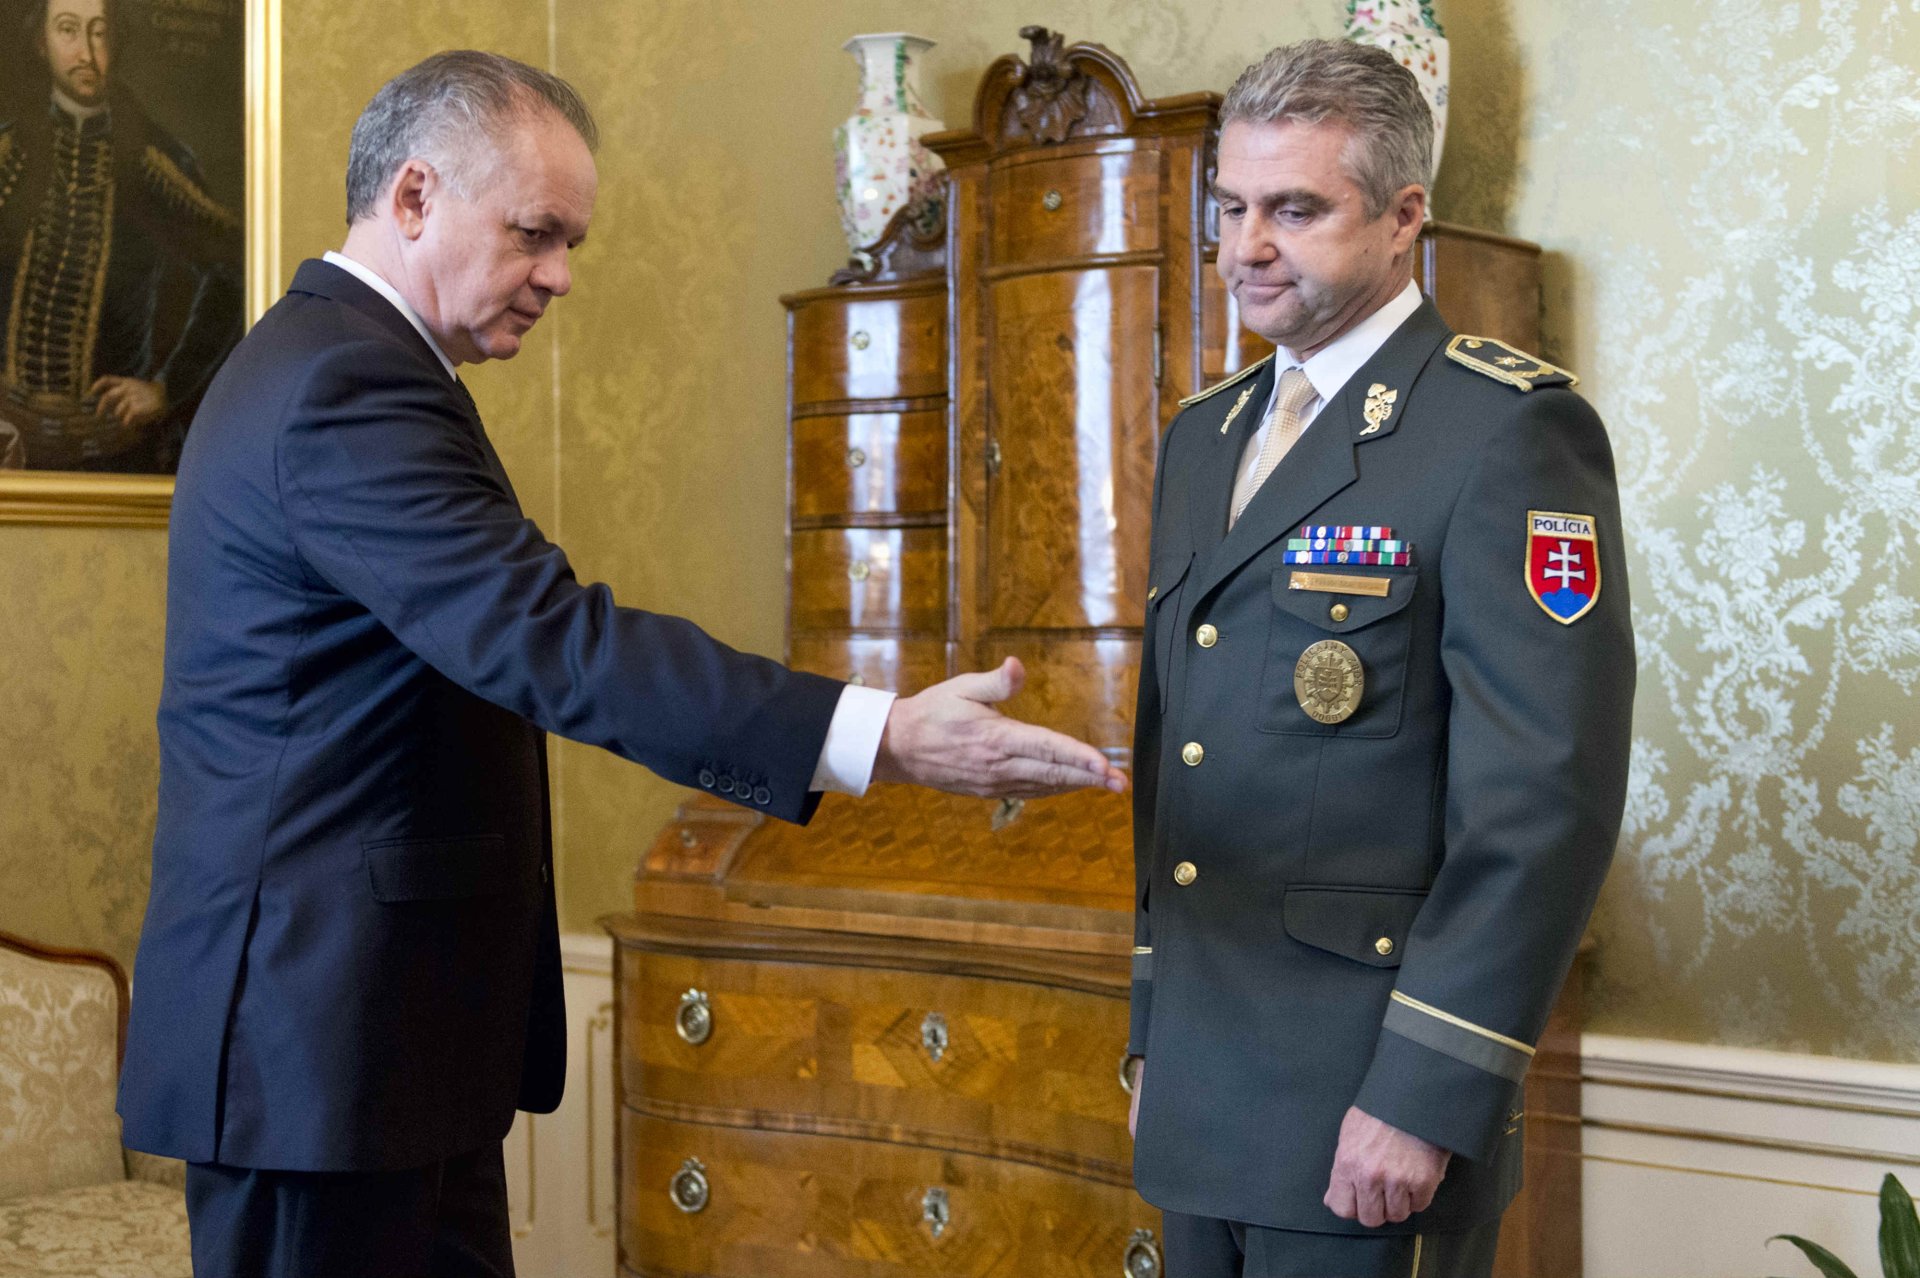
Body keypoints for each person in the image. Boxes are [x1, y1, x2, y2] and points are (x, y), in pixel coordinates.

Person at [116, 50, 1125, 1278]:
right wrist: (885, 735)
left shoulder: (356, 364)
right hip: (316, 1049)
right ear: (415, 196)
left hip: (378, 1046)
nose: (561, 275)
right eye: (535, 233)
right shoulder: (342, 383)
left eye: (572, 242)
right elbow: (554, 639)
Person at [1125, 39, 1634, 1278]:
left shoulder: (1504, 430)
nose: (1247, 247)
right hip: (1200, 1082)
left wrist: (1430, 1088)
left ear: (1405, 218)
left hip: (1369, 1103)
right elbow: (1177, 762)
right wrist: (1153, 1037)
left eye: (1295, 210)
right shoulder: (1207, 436)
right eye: (1230, 208)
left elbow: (1542, 801)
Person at [0, 0, 243, 472]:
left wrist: (167, 389)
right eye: (68, 30)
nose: (86, 53)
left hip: (114, 451)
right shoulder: (9, 152)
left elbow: (233, 271)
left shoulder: (154, 162)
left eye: (99, 32)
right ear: (41, 42)